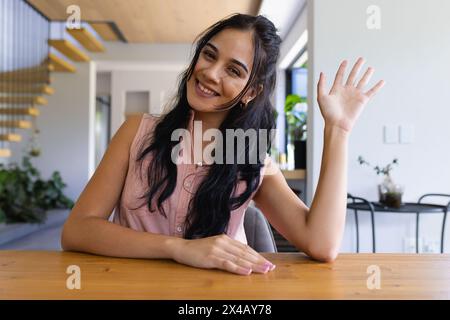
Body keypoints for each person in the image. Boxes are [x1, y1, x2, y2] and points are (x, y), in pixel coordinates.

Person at [61, 13, 384, 276]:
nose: (210, 73)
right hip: (127, 288)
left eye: (233, 70)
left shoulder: (252, 157)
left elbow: (322, 244)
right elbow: (77, 230)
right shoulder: (137, 131)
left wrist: (338, 129)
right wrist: (177, 248)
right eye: (209, 54)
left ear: (252, 92)